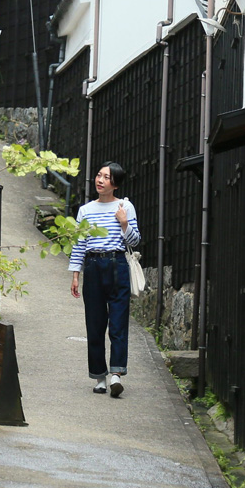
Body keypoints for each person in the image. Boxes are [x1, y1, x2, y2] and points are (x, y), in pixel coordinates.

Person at [68, 162, 140, 397]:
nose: (100, 180)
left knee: (118, 323)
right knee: (95, 324)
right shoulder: (86, 210)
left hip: (117, 264)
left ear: (115, 183)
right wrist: (76, 273)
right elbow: (79, 243)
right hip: (93, 265)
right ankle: (99, 376)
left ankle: (116, 375)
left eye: (106, 177)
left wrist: (124, 222)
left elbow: (135, 241)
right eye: (99, 175)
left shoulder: (125, 207)